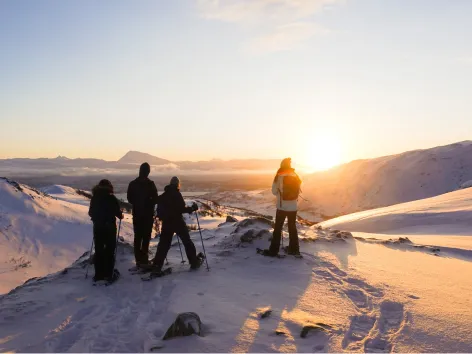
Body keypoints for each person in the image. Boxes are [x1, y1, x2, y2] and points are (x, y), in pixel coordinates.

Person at [150, 176, 200, 275]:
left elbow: (158, 210)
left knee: (163, 245)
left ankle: (157, 266)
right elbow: (182, 209)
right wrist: (192, 208)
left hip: (167, 224)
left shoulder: (163, 195)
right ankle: (194, 262)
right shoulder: (177, 194)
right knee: (187, 242)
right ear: (177, 184)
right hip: (178, 222)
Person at [264, 158, 302, 257]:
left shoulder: (279, 176)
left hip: (282, 207)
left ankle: (273, 251)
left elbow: (274, 191)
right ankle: (294, 250)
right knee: (292, 228)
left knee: (278, 228)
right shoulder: (295, 176)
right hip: (293, 207)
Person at [88, 179, 123, 282]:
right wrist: (120, 214)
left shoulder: (94, 198)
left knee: (99, 251)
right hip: (109, 228)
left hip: (98, 227)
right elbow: (118, 213)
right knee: (109, 250)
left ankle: (98, 275)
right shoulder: (111, 198)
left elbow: (90, 213)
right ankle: (109, 274)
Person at [127, 162, 159, 268]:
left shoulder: (132, 183)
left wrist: (137, 203)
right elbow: (155, 199)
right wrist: (149, 202)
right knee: (146, 237)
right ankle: (144, 260)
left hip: (137, 214)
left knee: (138, 237)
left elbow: (129, 198)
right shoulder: (150, 184)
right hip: (147, 215)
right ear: (148, 172)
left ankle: (138, 260)